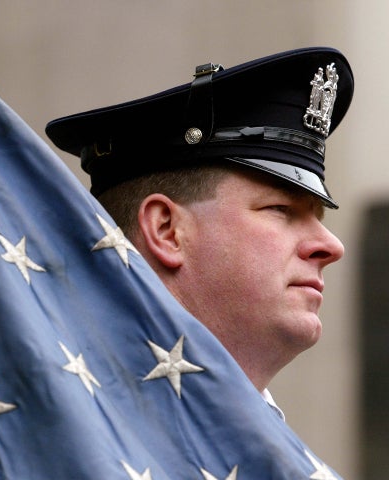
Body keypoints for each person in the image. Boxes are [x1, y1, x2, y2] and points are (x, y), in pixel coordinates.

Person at [45, 47, 354, 408]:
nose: (331, 246)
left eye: (317, 216)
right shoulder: (72, 424)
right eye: (281, 209)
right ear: (166, 230)